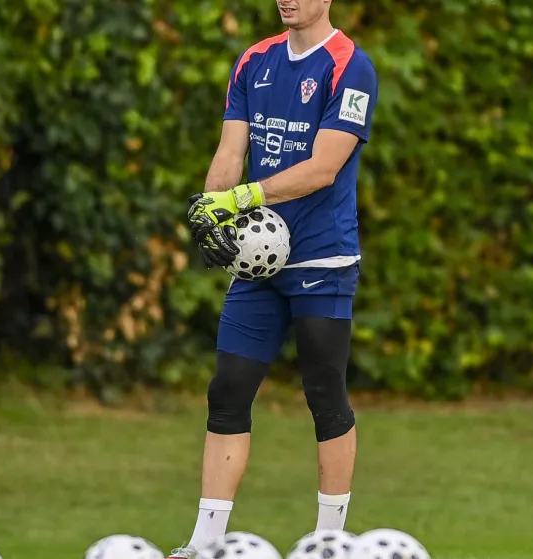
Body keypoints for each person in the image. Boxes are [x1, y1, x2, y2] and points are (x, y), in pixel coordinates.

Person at [170, 0, 378, 557]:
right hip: (259, 261)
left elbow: (323, 167)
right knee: (228, 390)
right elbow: (232, 148)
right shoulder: (254, 60)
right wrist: (215, 208)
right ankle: (204, 543)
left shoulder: (350, 65)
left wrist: (242, 198)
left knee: (324, 392)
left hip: (322, 258)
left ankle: (330, 542)